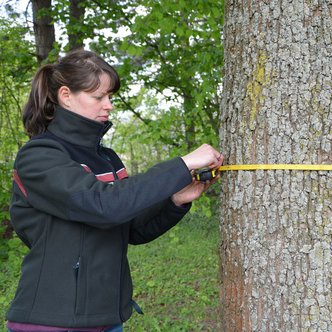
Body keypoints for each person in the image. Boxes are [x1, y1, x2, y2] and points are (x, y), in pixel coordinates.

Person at [5, 50, 224, 332]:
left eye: (110, 97)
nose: (108, 105)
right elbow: (104, 206)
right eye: (98, 97)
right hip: (52, 320)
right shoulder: (39, 156)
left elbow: (132, 228)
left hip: (107, 318)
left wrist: (175, 200)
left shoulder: (107, 159)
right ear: (65, 95)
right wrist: (181, 165)